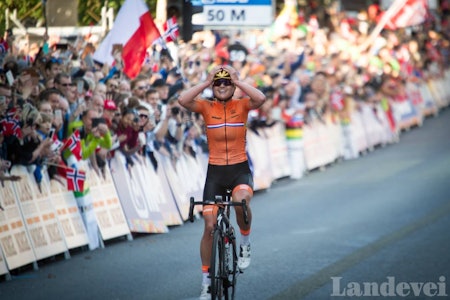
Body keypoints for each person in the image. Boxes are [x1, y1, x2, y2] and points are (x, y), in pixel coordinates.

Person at [178, 65, 266, 299]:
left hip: (239, 169)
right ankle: (206, 282)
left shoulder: (242, 105)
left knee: (241, 201)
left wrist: (237, 82)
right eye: (219, 82)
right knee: (208, 225)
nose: (223, 85)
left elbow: (260, 97)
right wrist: (207, 82)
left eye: (227, 82)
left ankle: (245, 242)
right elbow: (182, 100)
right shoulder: (207, 107)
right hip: (215, 173)